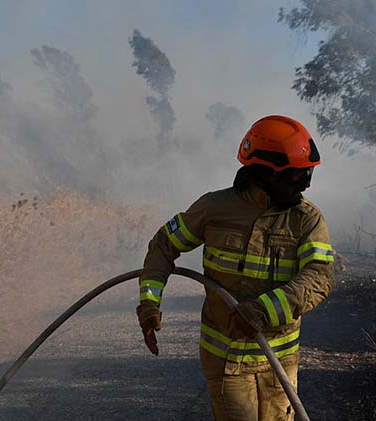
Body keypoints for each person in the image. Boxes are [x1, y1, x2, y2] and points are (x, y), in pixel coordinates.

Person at [136, 115, 335, 420]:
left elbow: (319, 277)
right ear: (264, 174)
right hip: (226, 361)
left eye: (309, 173)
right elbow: (164, 244)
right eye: (296, 175)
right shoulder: (215, 209)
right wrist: (149, 301)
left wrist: (263, 310)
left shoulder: (306, 219)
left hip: (279, 363)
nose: (306, 183)